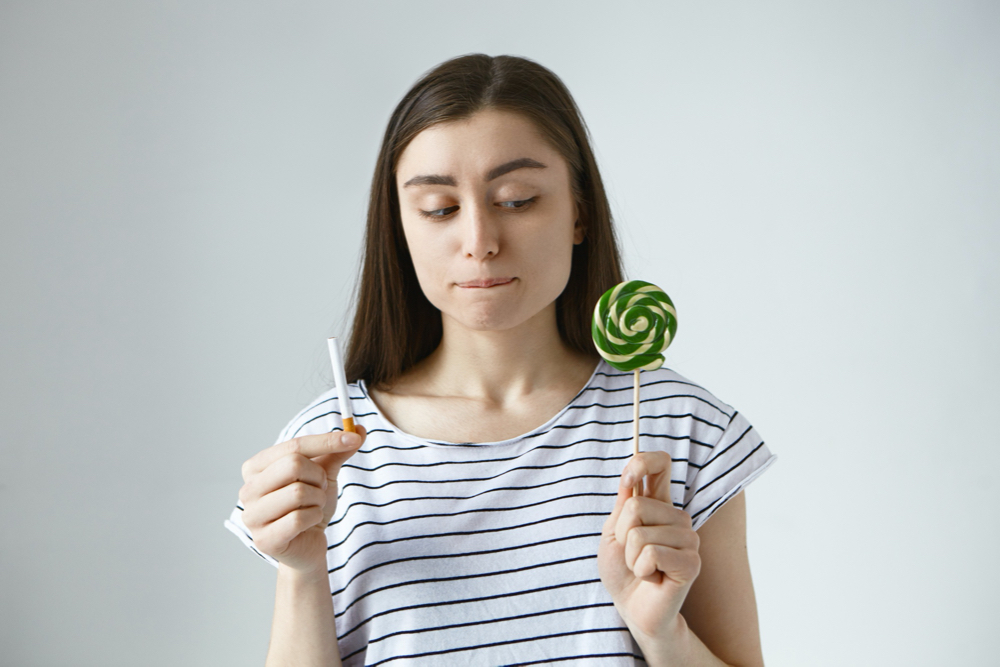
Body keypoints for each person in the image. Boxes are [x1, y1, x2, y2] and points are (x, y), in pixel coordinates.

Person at [225, 53, 777, 666]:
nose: (480, 241)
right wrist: (301, 571)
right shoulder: (326, 448)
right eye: (439, 208)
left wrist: (661, 632)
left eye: (516, 200)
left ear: (580, 213)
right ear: (400, 228)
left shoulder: (682, 429)